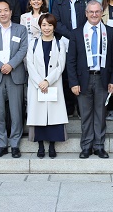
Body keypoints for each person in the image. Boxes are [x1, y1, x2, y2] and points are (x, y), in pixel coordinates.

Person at [67, 0, 113, 159]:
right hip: (84, 81)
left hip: (103, 80)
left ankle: (99, 146)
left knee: (100, 114)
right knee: (86, 115)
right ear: (86, 13)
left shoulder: (109, 32)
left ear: (102, 13)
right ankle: (86, 146)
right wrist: (73, 82)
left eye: (97, 11)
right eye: (91, 12)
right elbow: (71, 61)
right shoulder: (77, 33)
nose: (94, 14)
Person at [0, 0, 28, 158]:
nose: (3, 13)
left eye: (5, 10)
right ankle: (2, 144)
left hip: (15, 73)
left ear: (10, 12)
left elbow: (23, 49)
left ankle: (15, 144)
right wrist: (0, 65)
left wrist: (10, 65)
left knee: (16, 112)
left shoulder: (20, 29)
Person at [26, 13, 68, 158]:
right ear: (40, 26)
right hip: (36, 85)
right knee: (38, 114)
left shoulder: (59, 43)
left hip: (53, 84)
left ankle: (52, 145)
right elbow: (29, 64)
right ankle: (40, 145)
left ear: (54, 26)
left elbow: (60, 65)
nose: (47, 28)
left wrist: (48, 81)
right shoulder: (33, 43)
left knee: (53, 115)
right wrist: (40, 82)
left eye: (50, 25)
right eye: (44, 25)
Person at [52, 0, 91, 117]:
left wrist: (77, 37)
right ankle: (68, 108)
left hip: (83, 43)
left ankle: (81, 109)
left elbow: (91, 20)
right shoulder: (58, 1)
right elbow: (56, 22)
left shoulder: (87, 0)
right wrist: (72, 36)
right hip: (64, 43)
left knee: (82, 74)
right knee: (66, 75)